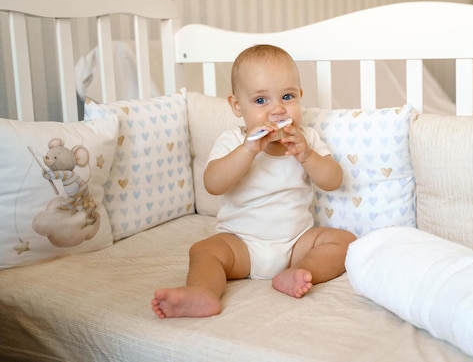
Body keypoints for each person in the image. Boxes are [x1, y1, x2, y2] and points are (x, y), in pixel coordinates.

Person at [152, 44, 356, 318]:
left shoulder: (306, 139)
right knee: (204, 250)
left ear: (300, 97)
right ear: (237, 106)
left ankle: (299, 271)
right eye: (261, 101)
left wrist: (307, 155)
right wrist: (249, 150)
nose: (277, 110)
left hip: (296, 244)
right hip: (241, 245)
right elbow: (213, 184)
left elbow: (333, 180)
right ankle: (203, 292)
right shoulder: (234, 141)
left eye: (287, 96)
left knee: (344, 241)